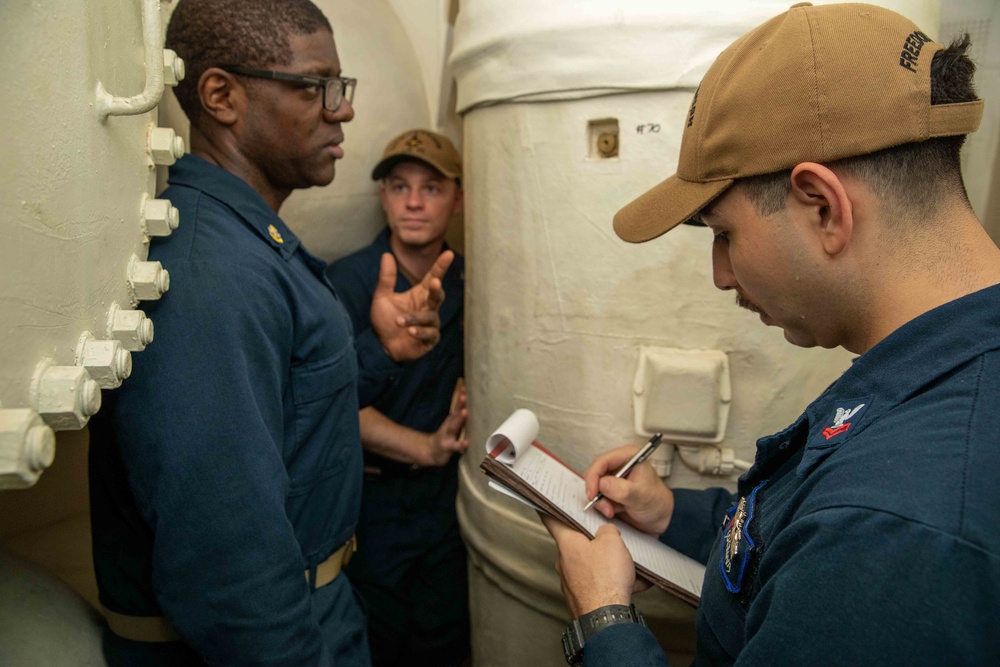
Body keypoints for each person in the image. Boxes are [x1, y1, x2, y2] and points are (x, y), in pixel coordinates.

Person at [542, 4, 1000, 666]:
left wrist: (602, 619)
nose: (721, 274)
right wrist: (678, 516)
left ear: (822, 206)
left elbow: (845, 544)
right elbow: (802, 545)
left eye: (724, 233)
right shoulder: (938, 372)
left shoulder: (893, 530)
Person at [87, 1, 454, 665]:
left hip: (325, 611)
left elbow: (288, 421)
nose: (340, 110)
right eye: (315, 87)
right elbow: (231, 572)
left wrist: (377, 352)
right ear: (221, 96)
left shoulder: (250, 240)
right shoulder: (208, 273)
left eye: (339, 88)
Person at [325, 129, 471, 667]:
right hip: (372, 503)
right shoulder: (346, 284)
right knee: (378, 643)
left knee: (445, 639)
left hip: (446, 503)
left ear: (458, 199)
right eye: (399, 186)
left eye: (431, 188)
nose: (413, 202)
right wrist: (425, 447)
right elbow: (331, 405)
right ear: (383, 197)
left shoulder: (467, 282)